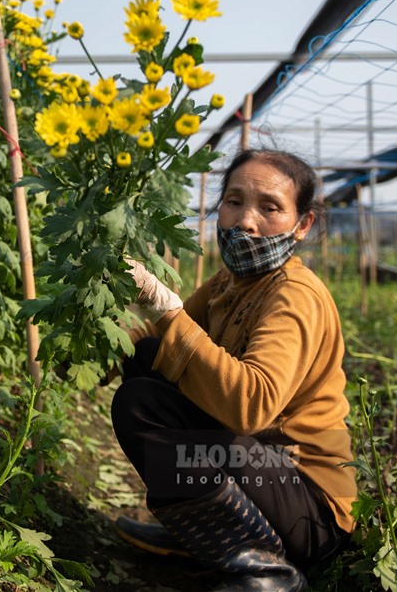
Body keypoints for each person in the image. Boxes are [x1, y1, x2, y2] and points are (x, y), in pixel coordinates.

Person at [111, 148, 356, 592]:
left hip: (309, 504)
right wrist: (101, 346)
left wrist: (165, 307)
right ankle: (202, 533)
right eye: (234, 201)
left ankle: (267, 572)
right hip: (261, 467)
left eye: (270, 208)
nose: (246, 221)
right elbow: (160, 333)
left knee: (143, 405)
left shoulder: (294, 295)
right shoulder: (232, 280)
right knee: (146, 357)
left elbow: (252, 406)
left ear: (303, 225)